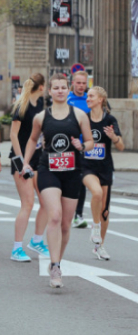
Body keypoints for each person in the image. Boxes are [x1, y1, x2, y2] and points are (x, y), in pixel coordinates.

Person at [22, 74, 92, 288]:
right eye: (56, 88)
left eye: (63, 87)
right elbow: (32, 140)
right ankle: (54, 266)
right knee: (54, 215)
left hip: (72, 172)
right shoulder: (41, 117)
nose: (60, 91)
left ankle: (57, 261)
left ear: (68, 89)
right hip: (48, 170)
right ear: (49, 91)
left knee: (65, 224)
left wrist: (82, 146)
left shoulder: (79, 115)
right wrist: (25, 163)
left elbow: (89, 141)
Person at [8, 74, 49, 262]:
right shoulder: (21, 106)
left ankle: (37, 240)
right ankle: (17, 248)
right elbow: (13, 135)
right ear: (41, 87)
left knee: (46, 201)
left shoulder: (41, 106)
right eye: (46, 85)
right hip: (19, 159)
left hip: (38, 159)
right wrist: (22, 162)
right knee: (28, 203)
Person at [82, 86, 124, 261]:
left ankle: (99, 246)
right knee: (96, 192)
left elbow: (121, 146)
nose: (87, 98)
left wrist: (113, 137)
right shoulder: (83, 119)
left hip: (105, 166)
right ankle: (95, 227)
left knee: (105, 210)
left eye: (91, 96)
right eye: (87, 95)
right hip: (86, 166)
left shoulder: (110, 120)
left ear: (100, 99)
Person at [67, 71, 90, 229]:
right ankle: (66, 211)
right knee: (67, 181)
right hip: (66, 147)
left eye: (84, 83)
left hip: (83, 147)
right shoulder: (66, 99)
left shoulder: (90, 100)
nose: (81, 86)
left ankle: (78, 214)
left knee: (81, 181)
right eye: (78, 83)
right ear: (73, 83)